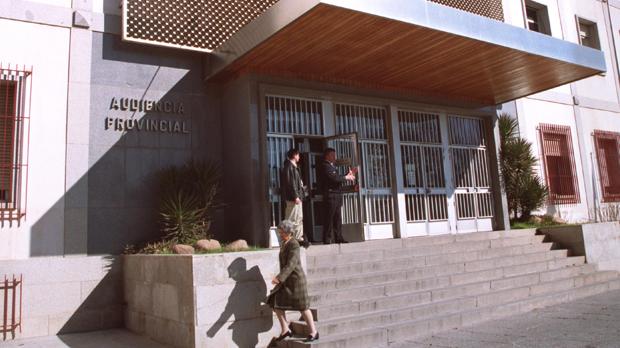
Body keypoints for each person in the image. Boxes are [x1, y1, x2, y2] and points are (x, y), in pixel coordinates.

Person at [266, 220, 319, 346]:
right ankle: (285, 330)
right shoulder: (285, 242)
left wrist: (279, 278)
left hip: (296, 281)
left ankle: (313, 331)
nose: (279, 233)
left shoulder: (293, 244)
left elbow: (291, 264)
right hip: (287, 281)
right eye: (279, 231)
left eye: (281, 231)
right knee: (275, 302)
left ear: (287, 232)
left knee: (303, 307)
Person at [319, 147, 356, 244]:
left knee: (337, 217)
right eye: (333, 155)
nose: (335, 157)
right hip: (330, 195)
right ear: (327, 155)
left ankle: (339, 237)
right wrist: (347, 177)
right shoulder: (325, 166)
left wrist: (347, 174)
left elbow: (338, 178)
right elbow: (334, 179)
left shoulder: (332, 166)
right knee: (329, 217)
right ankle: (327, 238)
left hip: (337, 195)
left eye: (335, 155)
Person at [280, 148, 310, 248]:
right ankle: (287, 240)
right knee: (291, 219)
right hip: (292, 198)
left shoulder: (294, 167)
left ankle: (298, 239)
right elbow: (290, 183)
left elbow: (295, 182)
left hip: (297, 198)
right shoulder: (289, 167)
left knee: (298, 219)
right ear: (294, 155)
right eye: (298, 155)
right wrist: (295, 196)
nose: (299, 157)